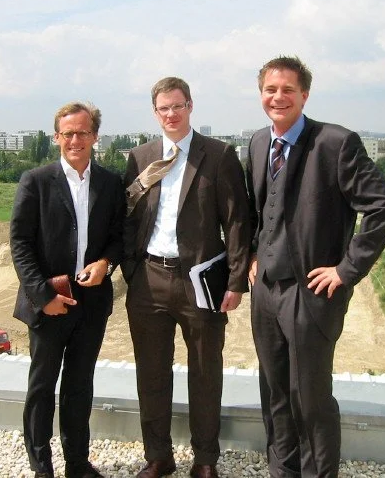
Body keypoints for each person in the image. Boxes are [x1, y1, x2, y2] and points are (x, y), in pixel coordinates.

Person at [245, 56, 385, 478]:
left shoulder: (335, 143)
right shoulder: (257, 143)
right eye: (270, 89)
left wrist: (347, 269)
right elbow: (258, 210)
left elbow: (383, 205)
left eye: (288, 90)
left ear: (305, 95)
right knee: (275, 393)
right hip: (265, 292)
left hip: (310, 292)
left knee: (310, 398)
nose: (278, 97)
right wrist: (254, 254)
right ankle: (283, 471)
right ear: (261, 94)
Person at [122, 77, 250, 478]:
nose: (171, 114)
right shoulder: (141, 157)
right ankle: (158, 456)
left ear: (190, 106)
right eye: (164, 108)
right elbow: (128, 217)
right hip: (148, 280)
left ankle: (205, 460)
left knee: (205, 372)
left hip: (200, 281)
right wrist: (131, 270)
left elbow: (237, 221)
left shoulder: (219, 155)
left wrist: (235, 281)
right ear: (155, 112)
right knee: (151, 373)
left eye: (178, 106)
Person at [10, 101, 124, 478]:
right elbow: (20, 244)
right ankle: (41, 465)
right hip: (50, 301)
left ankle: (77, 463)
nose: (76, 140)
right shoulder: (36, 181)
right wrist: (43, 297)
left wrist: (106, 262)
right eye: (68, 133)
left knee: (79, 386)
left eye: (83, 132)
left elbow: (118, 237)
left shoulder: (110, 183)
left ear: (95, 136)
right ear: (57, 137)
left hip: (92, 303)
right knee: (42, 386)